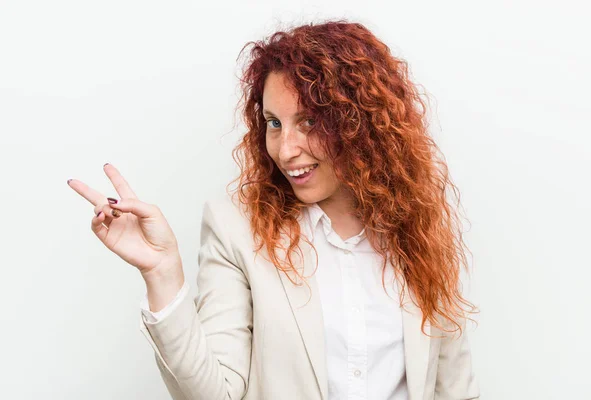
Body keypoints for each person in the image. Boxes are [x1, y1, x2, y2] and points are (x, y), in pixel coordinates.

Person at [68, 20, 480, 400]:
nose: (285, 150)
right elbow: (216, 392)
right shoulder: (236, 228)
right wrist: (162, 275)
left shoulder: (420, 228)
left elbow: (455, 390)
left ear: (361, 123)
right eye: (274, 122)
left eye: (310, 122)